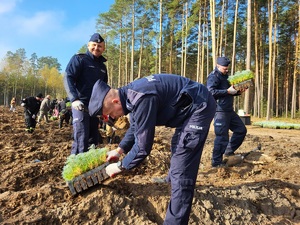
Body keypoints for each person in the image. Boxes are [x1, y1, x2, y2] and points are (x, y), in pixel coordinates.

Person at [88, 74, 216, 225]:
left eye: (110, 114)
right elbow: (136, 126)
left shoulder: (142, 98)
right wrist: (119, 150)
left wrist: (120, 166)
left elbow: (143, 147)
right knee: (178, 144)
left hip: (200, 106)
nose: (113, 118)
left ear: (115, 102)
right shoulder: (130, 96)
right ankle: (170, 180)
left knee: (183, 164)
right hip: (187, 108)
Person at [64, 33, 108, 155]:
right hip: (80, 104)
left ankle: (88, 168)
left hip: (94, 107)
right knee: (81, 137)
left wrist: (105, 108)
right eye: (94, 45)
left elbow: (104, 88)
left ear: (103, 49)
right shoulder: (79, 59)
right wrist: (74, 99)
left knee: (94, 138)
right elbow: (68, 77)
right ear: (88, 45)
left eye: (100, 46)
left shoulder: (103, 67)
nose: (96, 48)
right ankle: (75, 170)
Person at [206, 56, 247, 167]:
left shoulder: (226, 77)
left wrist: (238, 91)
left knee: (241, 130)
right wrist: (227, 91)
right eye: (225, 68)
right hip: (219, 111)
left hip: (229, 110)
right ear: (218, 66)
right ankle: (216, 162)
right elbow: (210, 92)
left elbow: (230, 91)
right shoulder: (213, 77)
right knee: (222, 137)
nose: (227, 69)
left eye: (227, 67)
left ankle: (228, 151)